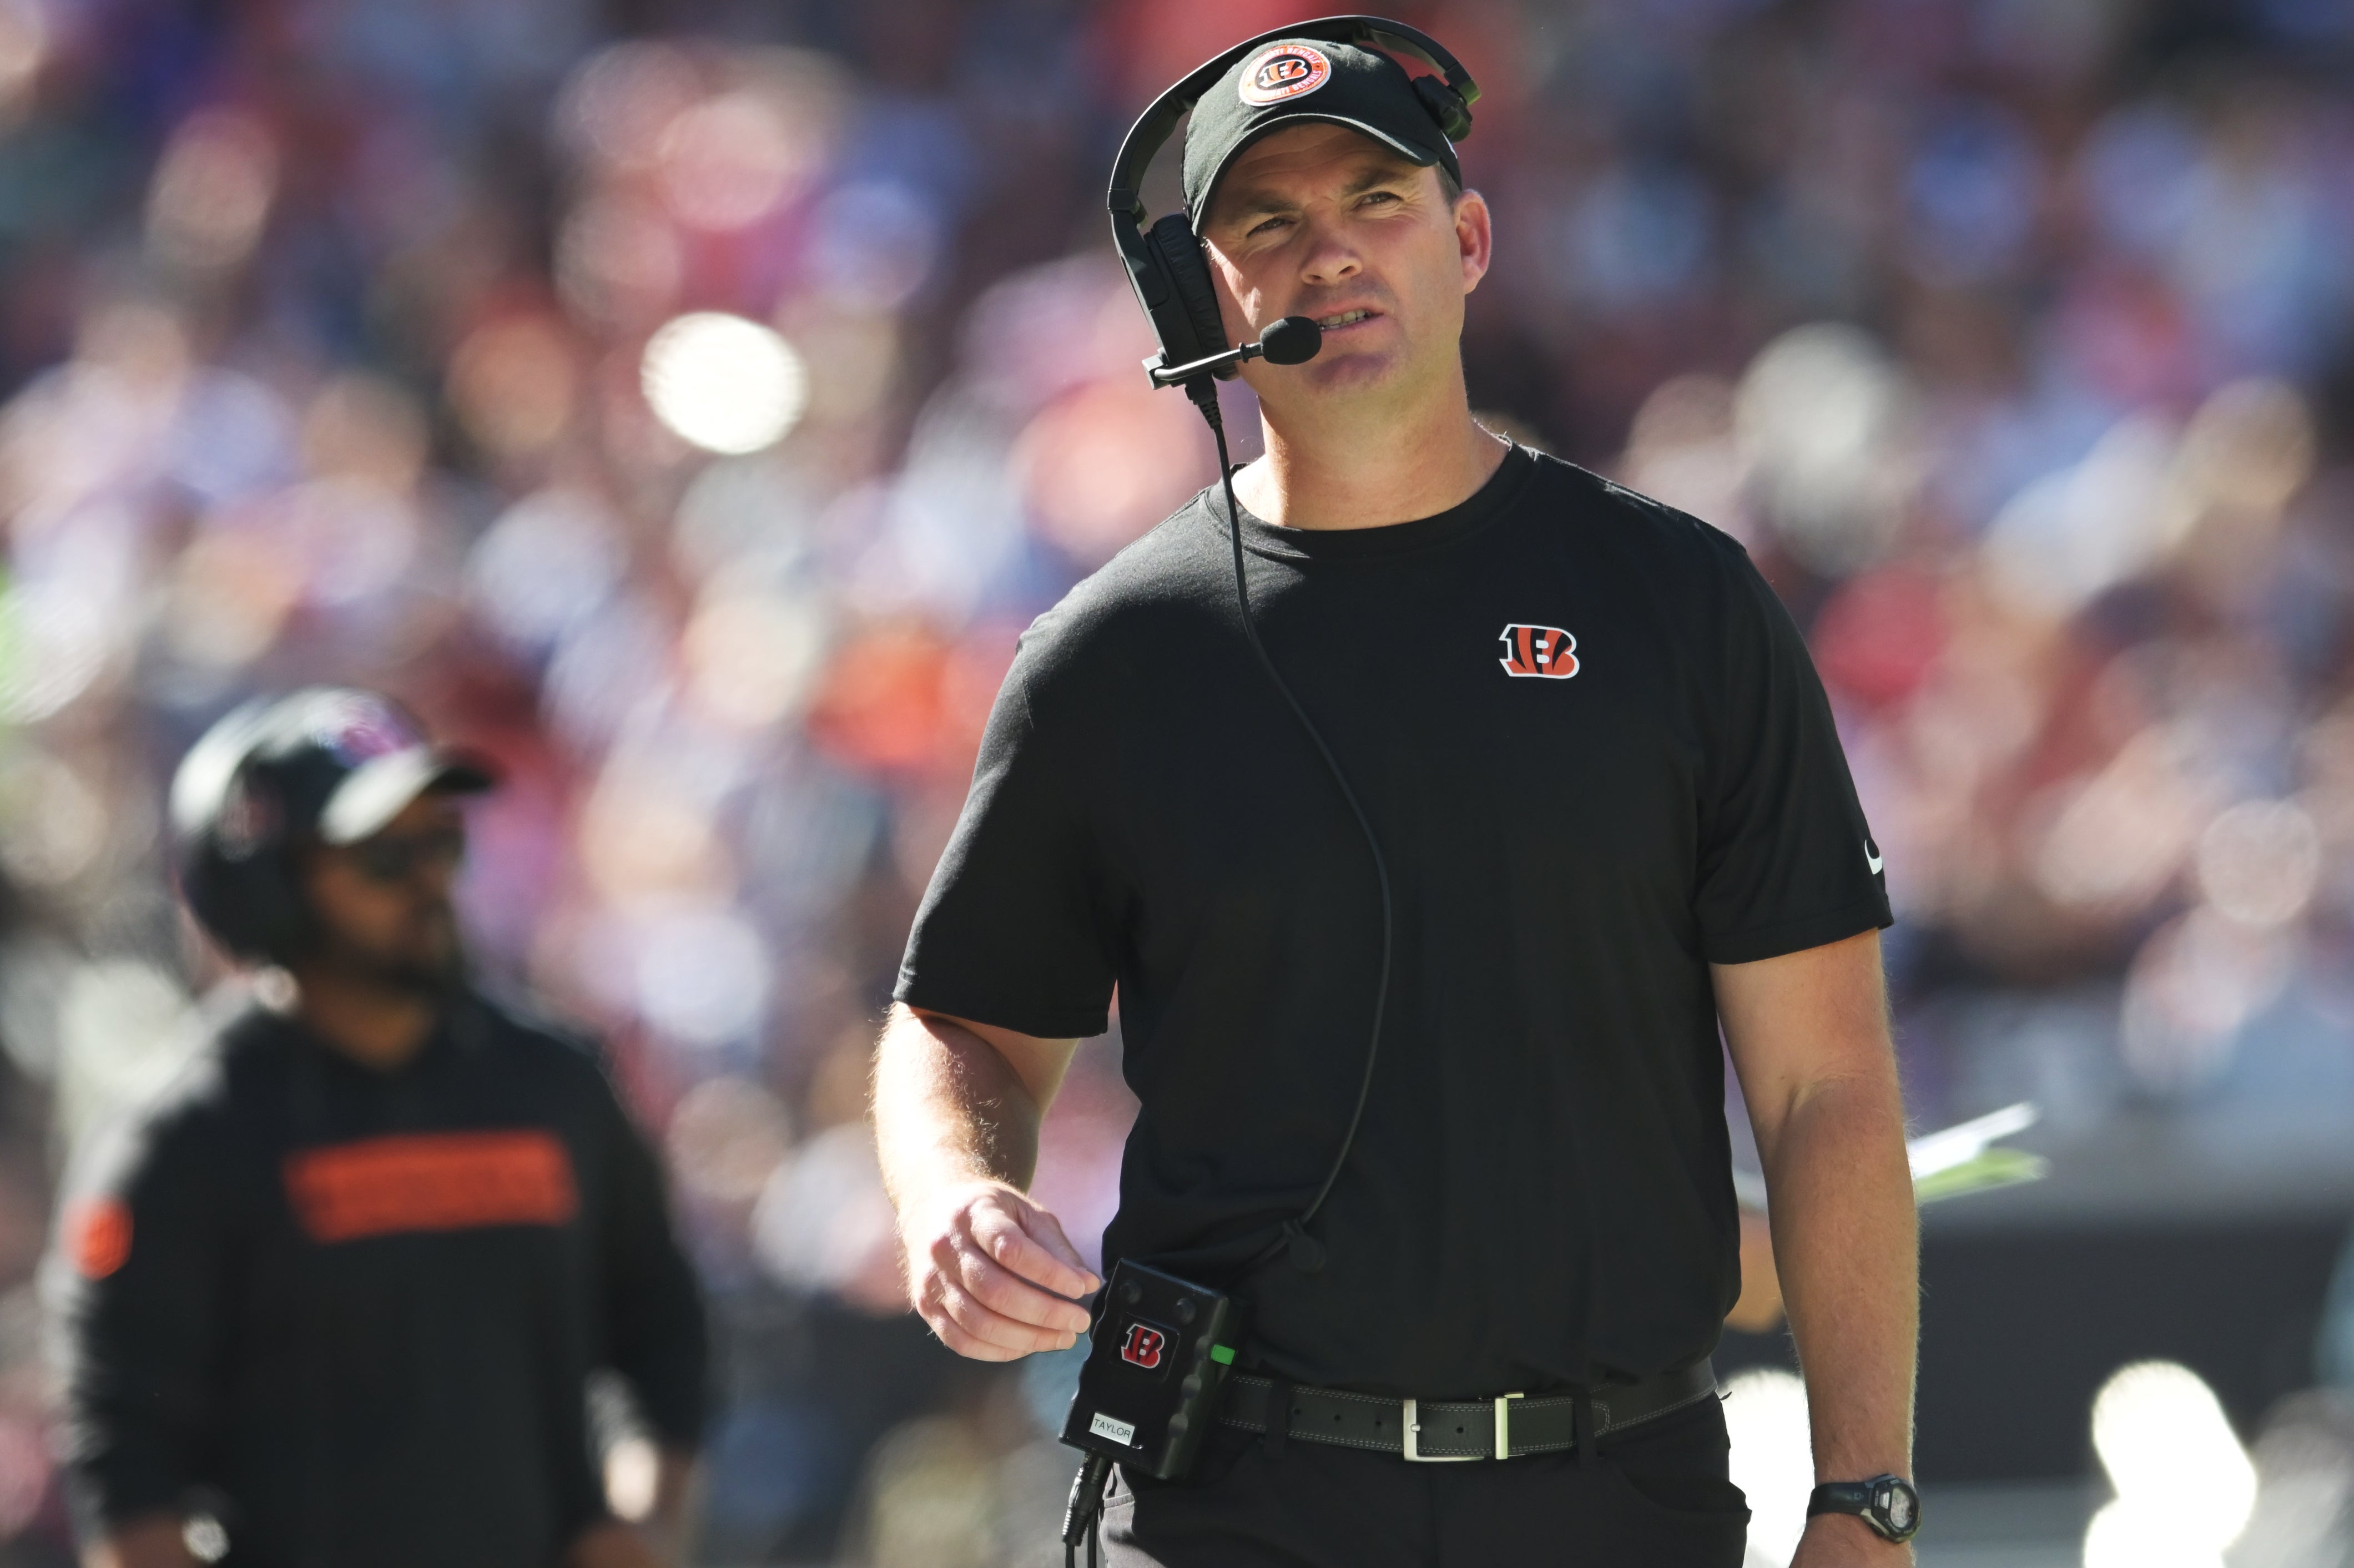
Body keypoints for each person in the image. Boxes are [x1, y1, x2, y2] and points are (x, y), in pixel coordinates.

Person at [873, 23, 1919, 1568]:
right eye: (1268, 224)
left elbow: (1825, 1084)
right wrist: (953, 1192)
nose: (1330, 257)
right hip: (1231, 1502)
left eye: (1376, 201)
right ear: (1203, 293)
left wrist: (1863, 1496)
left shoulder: (1680, 607)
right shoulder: (1111, 656)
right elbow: (960, 1021)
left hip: (1617, 1492)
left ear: (1468, 239)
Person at [51, 688, 709, 1568]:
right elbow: (121, 1457)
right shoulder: (184, 1138)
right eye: (385, 857)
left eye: (441, 840)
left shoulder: (557, 1087)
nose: (431, 880)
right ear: (269, 884)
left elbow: (663, 1330)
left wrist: (644, 1525)